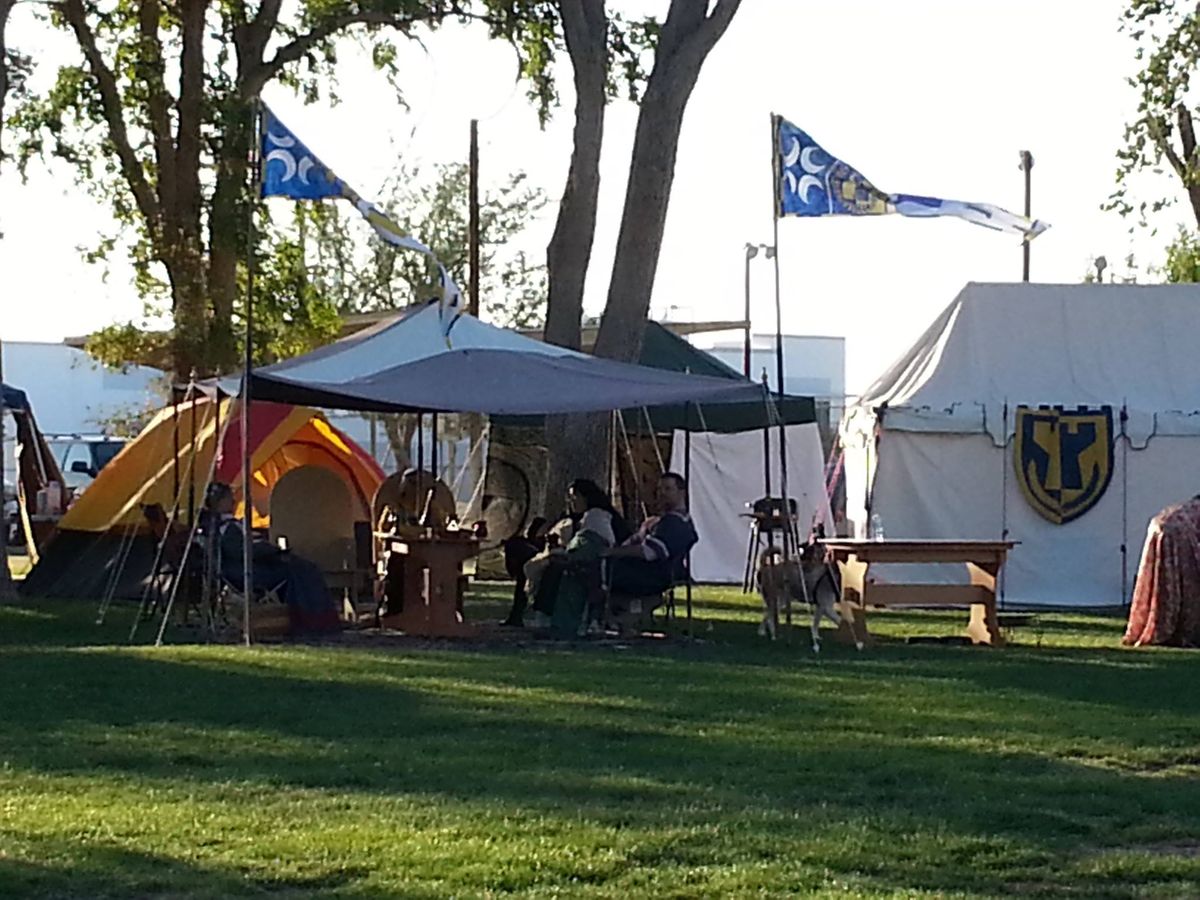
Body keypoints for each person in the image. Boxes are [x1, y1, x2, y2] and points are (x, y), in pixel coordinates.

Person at [203, 482, 340, 634]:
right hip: (244, 572)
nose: (234, 501)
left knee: (301, 567)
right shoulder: (226, 526)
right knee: (302, 570)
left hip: (241, 568)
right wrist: (271, 550)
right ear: (220, 502)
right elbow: (242, 551)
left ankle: (311, 616)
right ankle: (313, 616)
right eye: (230, 498)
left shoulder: (215, 525)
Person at [527, 479, 629, 634]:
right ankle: (542, 612)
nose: (571, 502)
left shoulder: (596, 517)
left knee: (554, 567)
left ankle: (545, 614)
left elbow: (592, 546)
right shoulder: (586, 518)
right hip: (588, 561)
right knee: (549, 564)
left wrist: (564, 554)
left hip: (598, 566)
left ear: (586, 497)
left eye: (575, 497)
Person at [605, 472, 698, 602]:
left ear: (682, 492)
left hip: (653, 576)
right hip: (657, 573)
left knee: (602, 570)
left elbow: (649, 552)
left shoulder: (674, 523)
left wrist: (611, 552)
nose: (662, 493)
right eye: (659, 489)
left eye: (668, 489)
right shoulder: (674, 520)